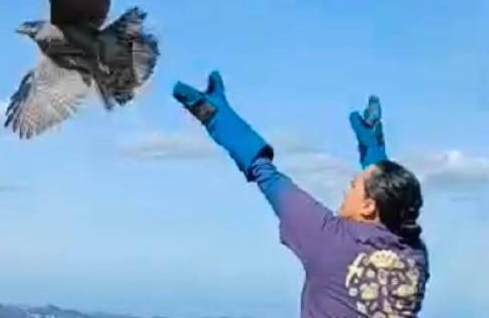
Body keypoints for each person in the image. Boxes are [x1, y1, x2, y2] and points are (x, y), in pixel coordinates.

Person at [173, 71, 429, 318]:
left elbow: (266, 174)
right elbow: (391, 211)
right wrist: (374, 150)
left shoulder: (330, 241)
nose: (346, 191)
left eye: (353, 186)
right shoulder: (415, 257)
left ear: (368, 207)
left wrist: (214, 116)